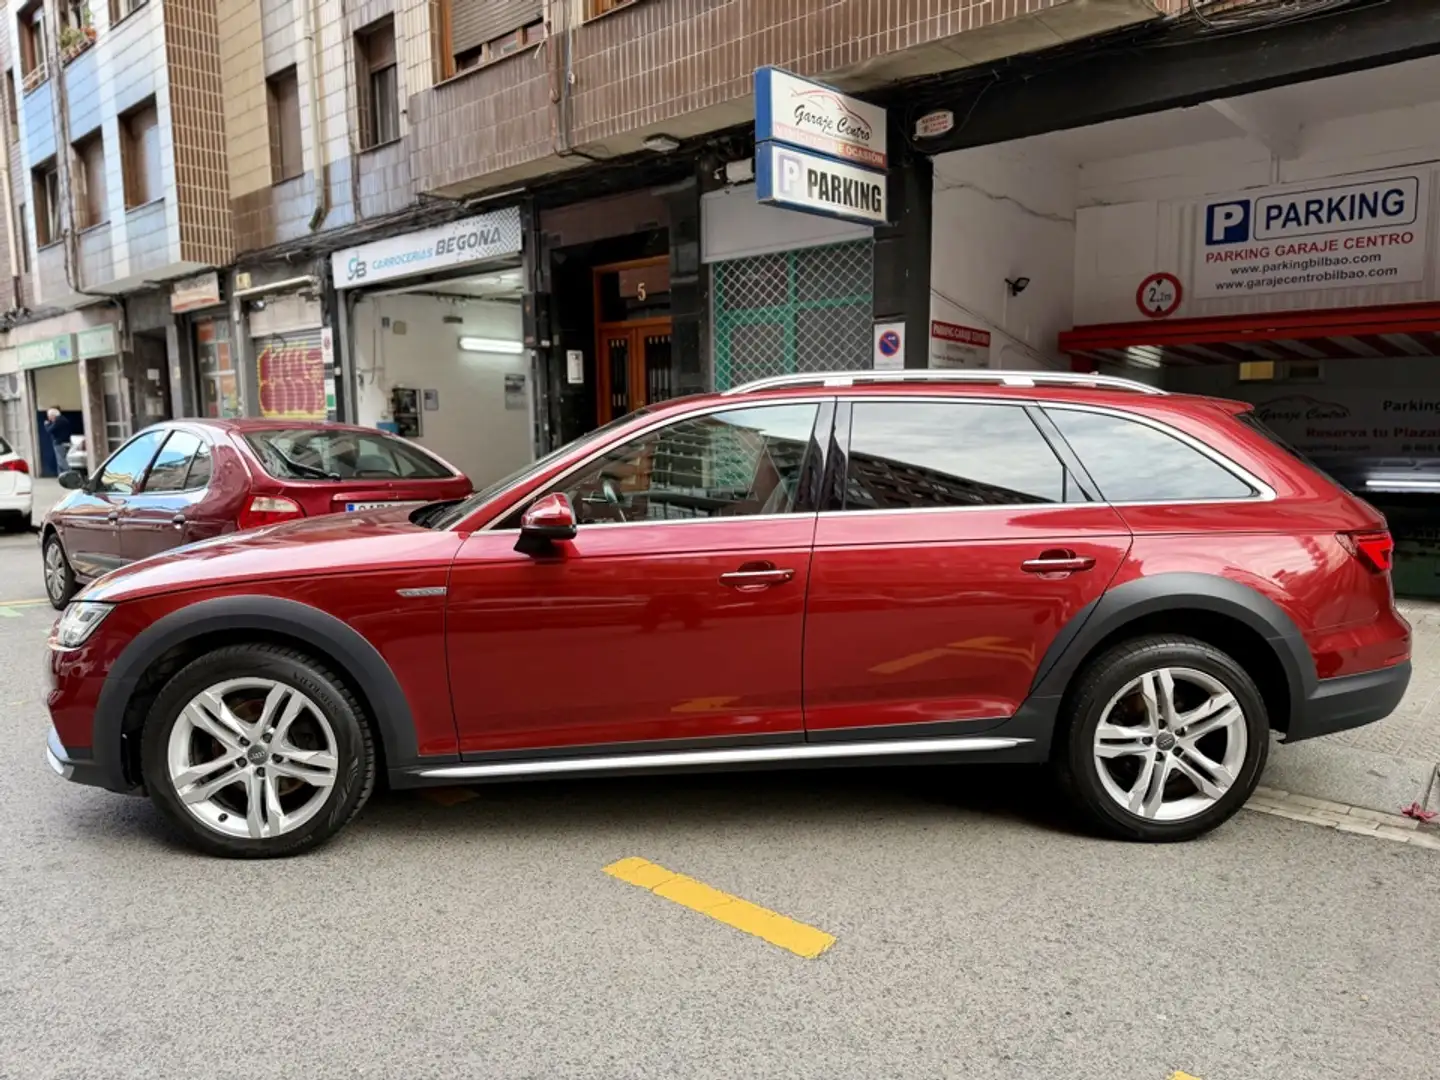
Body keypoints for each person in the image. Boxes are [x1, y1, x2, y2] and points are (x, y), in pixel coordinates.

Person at [44, 407, 73, 475]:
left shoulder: (58, 421)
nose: (49, 418)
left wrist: (47, 424)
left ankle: (69, 474)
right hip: (65, 441)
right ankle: (61, 475)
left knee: (61, 461)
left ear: (53, 415)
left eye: (49, 416)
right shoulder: (63, 419)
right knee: (60, 461)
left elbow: (49, 430)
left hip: (59, 443)